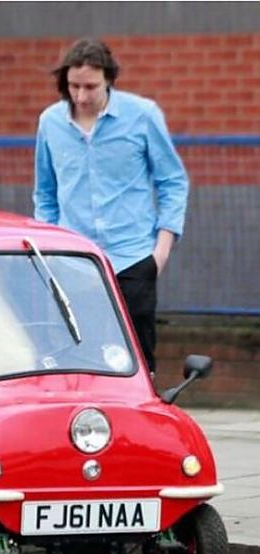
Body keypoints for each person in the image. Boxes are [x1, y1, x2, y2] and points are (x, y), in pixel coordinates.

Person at [32, 38, 189, 374]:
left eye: (91, 86)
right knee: (77, 355)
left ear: (109, 81)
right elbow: (45, 193)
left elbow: (173, 181)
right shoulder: (50, 122)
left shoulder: (142, 116)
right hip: (73, 260)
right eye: (74, 86)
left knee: (137, 360)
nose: (82, 96)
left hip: (132, 256)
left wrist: (160, 251)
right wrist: (50, 246)